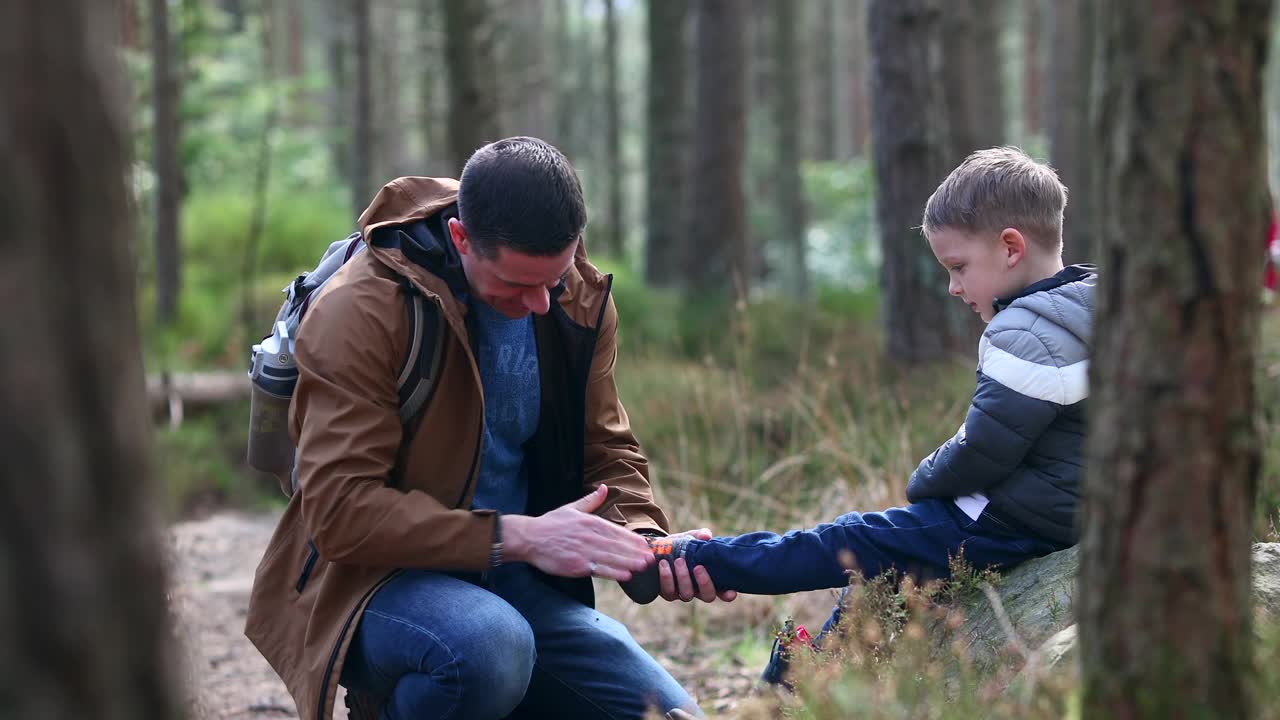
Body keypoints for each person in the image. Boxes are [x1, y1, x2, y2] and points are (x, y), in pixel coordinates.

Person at [245, 137, 728, 720]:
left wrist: (646, 543)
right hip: (369, 588)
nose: (543, 304)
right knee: (490, 650)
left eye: (553, 280)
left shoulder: (575, 295)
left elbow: (605, 450)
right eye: (517, 288)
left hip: (512, 585)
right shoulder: (363, 311)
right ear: (461, 239)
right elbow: (340, 513)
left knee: (670, 715)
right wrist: (519, 536)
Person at [638, 146, 1096, 684]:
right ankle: (788, 685)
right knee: (874, 592)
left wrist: (924, 479)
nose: (953, 288)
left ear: (1011, 248)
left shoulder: (1021, 332)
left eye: (958, 267)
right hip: (1055, 518)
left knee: (846, 542)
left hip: (1000, 524)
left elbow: (982, 450)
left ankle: (698, 560)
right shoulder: (1093, 310)